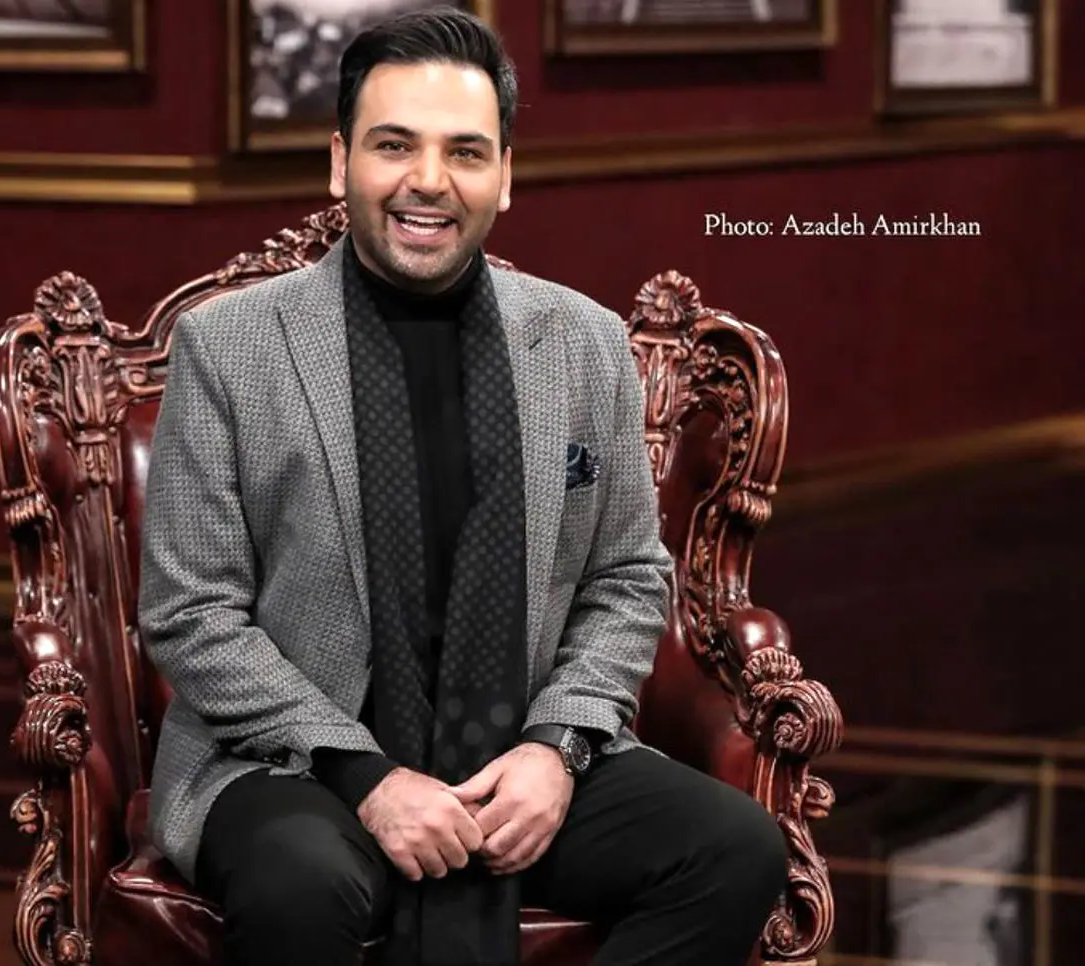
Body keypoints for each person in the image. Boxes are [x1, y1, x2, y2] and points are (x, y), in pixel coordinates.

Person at [138, 7, 788, 965]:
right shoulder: (229, 346)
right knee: (299, 882)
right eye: (394, 144)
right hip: (296, 762)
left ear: (505, 176)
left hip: (515, 757)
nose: (429, 180)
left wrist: (557, 748)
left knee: (735, 849)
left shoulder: (585, 342)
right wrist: (367, 776)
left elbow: (626, 578)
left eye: (466, 152)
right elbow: (192, 612)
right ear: (340, 161)